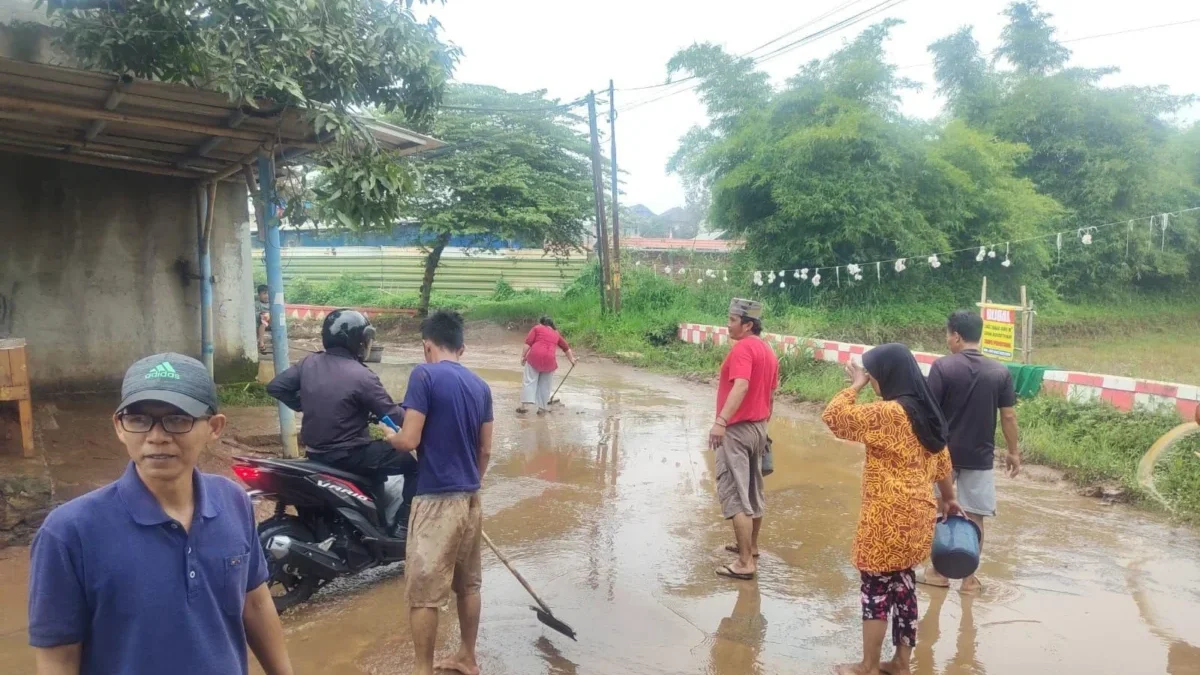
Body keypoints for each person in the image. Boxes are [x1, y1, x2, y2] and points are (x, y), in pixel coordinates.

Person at [27, 353, 293, 675]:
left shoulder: (233, 501)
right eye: (139, 419)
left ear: (214, 427)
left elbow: (255, 603)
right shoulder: (69, 533)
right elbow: (58, 659)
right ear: (120, 427)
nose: (156, 436)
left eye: (178, 419)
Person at [821, 343, 964, 675]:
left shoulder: (889, 413)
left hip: (885, 517)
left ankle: (868, 666)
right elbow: (942, 462)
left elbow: (834, 418)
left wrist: (854, 385)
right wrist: (951, 499)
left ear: (886, 375)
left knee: (875, 589)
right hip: (919, 517)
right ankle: (901, 663)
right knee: (904, 586)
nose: (871, 382)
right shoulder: (928, 413)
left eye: (872, 375)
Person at [385, 310, 493, 675]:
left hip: (435, 501)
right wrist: (469, 485)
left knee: (423, 593)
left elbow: (410, 439)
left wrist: (392, 437)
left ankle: (422, 669)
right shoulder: (481, 386)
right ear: (461, 347)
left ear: (427, 345)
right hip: (471, 498)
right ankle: (468, 657)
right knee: (468, 584)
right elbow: (486, 450)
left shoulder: (424, 375)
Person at [266, 309, 417, 532]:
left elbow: (276, 386)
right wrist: (420, 419)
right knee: (415, 466)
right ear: (359, 341)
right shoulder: (362, 376)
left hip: (316, 453)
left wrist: (304, 403)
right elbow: (394, 415)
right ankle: (404, 525)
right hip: (350, 455)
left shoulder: (309, 363)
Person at [919, 310, 1020, 594]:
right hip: (980, 458)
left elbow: (929, 413)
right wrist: (1013, 452)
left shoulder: (942, 368)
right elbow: (1009, 417)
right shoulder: (1000, 371)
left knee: (939, 510)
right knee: (975, 517)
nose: (947, 340)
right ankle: (969, 580)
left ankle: (937, 572)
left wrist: (923, 448)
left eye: (948, 335)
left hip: (943, 456)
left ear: (957, 336)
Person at [708, 298, 779, 582]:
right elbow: (772, 394)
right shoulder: (768, 351)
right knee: (753, 490)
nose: (728, 324)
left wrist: (721, 421)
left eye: (733, 320)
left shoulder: (742, 349)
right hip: (758, 428)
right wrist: (762, 424)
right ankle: (751, 547)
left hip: (737, 430)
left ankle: (744, 562)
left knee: (737, 495)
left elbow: (742, 385)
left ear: (748, 324)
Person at [518, 315, 576, 415]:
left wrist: (523, 356)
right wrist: (572, 360)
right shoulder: (556, 333)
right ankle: (542, 408)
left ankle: (524, 406)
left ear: (541, 323)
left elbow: (528, 343)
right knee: (545, 385)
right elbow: (566, 348)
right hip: (550, 361)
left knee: (529, 381)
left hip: (534, 357)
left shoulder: (537, 328)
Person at [255, 284, 270, 353]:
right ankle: (260, 342)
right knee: (261, 324)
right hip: (261, 322)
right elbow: (255, 313)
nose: (266, 296)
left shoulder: (271, 303)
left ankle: (260, 342)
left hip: (271, 321)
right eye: (264, 294)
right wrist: (260, 314)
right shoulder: (257, 304)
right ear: (259, 295)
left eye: (268, 293)